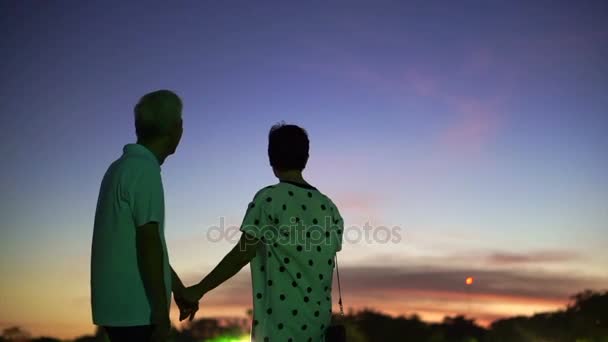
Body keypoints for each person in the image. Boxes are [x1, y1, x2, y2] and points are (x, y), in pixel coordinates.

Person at [181, 123, 344, 342]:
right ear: (306, 157)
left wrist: (199, 290)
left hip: (279, 330)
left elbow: (243, 252)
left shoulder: (269, 200)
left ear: (271, 158)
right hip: (318, 328)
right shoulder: (329, 207)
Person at [90, 90, 198, 342]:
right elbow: (148, 244)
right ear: (176, 128)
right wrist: (160, 315)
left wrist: (177, 288)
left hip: (118, 309)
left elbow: (136, 242)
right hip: (138, 312)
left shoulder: (121, 168)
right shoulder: (144, 170)